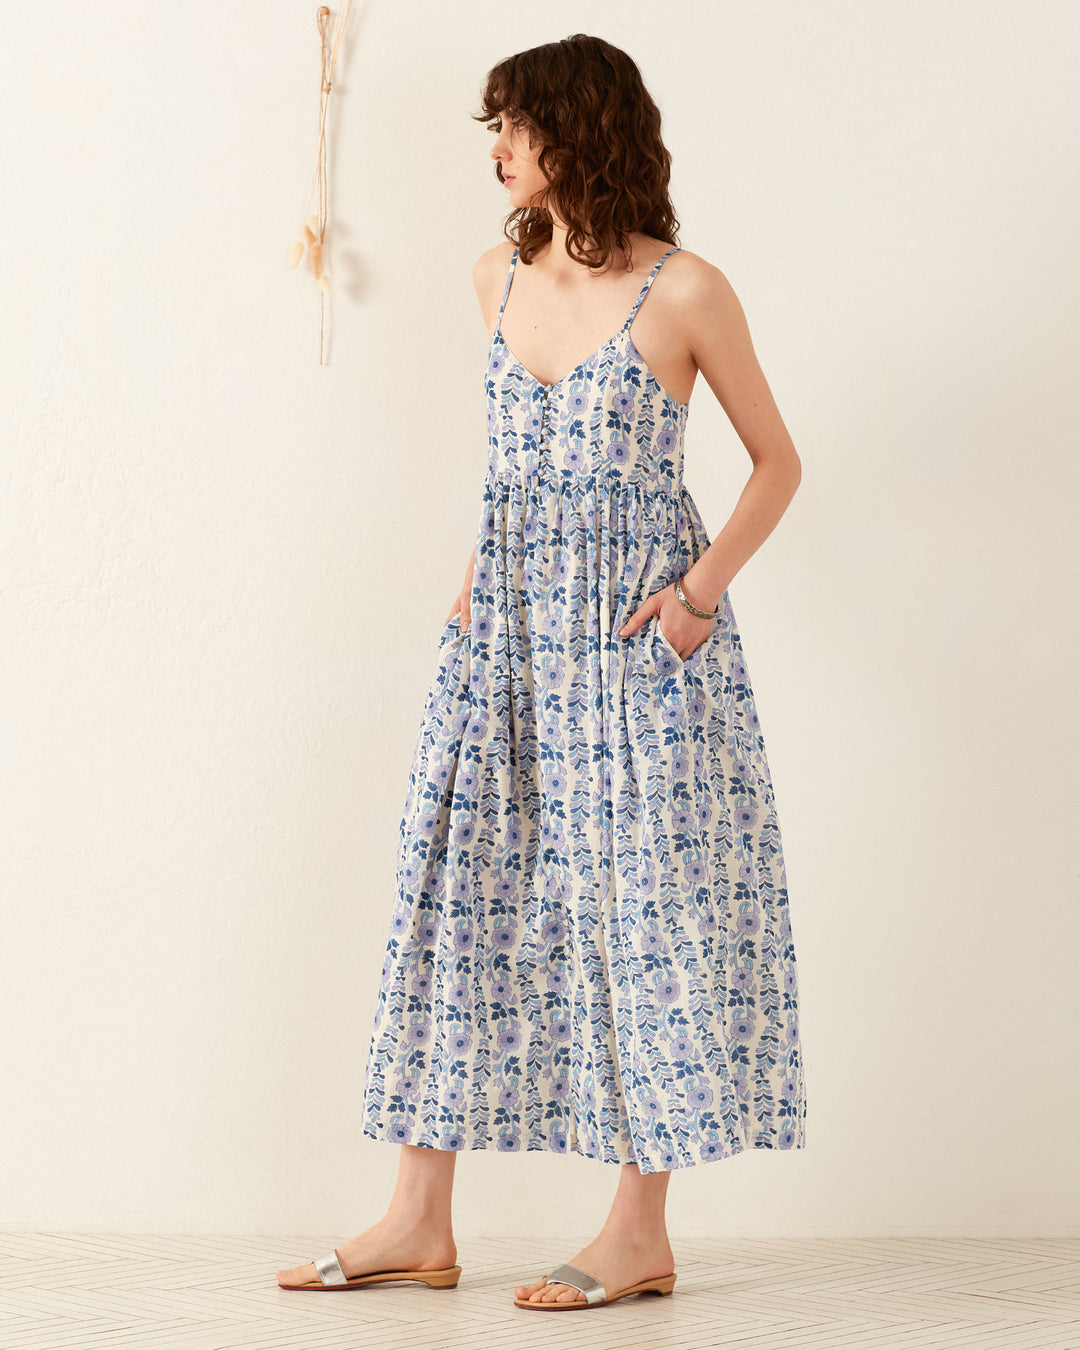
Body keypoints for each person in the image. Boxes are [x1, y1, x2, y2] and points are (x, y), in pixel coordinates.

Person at [277, 33, 807, 1312]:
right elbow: (518, 467)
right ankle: (418, 1215)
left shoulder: (685, 292)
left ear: (578, 134)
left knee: (639, 915)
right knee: (457, 895)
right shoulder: (492, 281)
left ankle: (638, 1231)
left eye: (512, 126)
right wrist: (481, 570)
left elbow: (778, 464)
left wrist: (694, 598)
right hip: (504, 636)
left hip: (634, 649)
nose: (497, 150)